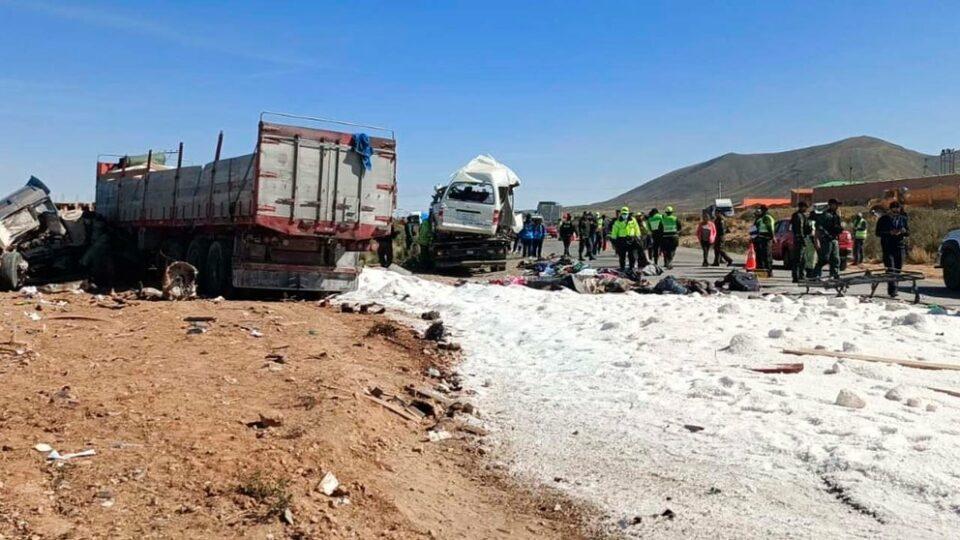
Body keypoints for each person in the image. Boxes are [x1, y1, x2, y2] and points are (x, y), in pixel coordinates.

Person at [876, 201, 909, 297]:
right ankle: (892, 290)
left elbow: (908, 232)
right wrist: (889, 232)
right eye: (894, 208)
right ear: (890, 209)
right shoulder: (883, 219)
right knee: (891, 268)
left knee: (898, 268)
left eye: (898, 208)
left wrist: (903, 232)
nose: (896, 210)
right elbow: (878, 233)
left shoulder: (903, 219)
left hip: (900, 246)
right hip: (888, 246)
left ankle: (895, 287)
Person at [814, 199, 843, 279]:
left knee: (836, 259)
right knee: (824, 258)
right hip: (826, 240)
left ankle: (834, 274)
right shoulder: (825, 215)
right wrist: (825, 235)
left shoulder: (836, 216)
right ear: (831, 205)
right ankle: (816, 275)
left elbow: (837, 227)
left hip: (834, 239)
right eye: (835, 205)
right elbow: (819, 227)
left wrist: (840, 229)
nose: (837, 206)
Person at [610, 207, 642, 271]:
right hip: (622, 240)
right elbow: (614, 231)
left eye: (626, 213)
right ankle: (622, 268)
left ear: (628, 213)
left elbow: (636, 228)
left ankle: (631, 268)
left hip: (631, 239)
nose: (625, 215)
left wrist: (638, 236)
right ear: (621, 214)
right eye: (623, 213)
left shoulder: (633, 220)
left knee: (632, 255)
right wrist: (613, 240)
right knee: (622, 256)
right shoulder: (617, 222)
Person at [753, 205, 776, 275]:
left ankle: (769, 272)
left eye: (761, 210)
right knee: (761, 256)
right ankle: (762, 272)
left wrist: (772, 237)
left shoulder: (767, 217)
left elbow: (770, 228)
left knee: (767, 256)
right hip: (761, 238)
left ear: (764, 210)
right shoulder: (761, 218)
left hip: (767, 238)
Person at [789, 201, 809, 282]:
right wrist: (802, 238)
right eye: (805, 207)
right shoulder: (798, 216)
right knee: (798, 259)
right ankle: (796, 276)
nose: (806, 209)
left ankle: (801, 275)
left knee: (803, 259)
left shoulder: (802, 215)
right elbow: (799, 229)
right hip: (799, 240)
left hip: (800, 239)